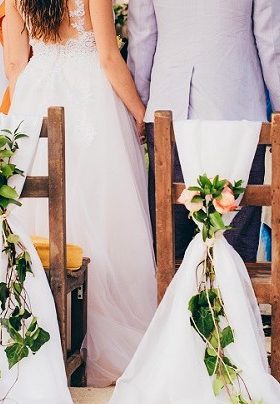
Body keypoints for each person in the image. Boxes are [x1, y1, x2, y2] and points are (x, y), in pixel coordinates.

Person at [4, 0, 156, 388]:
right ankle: (97, 335)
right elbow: (107, 56)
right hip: (91, 100)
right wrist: (140, 113)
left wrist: (20, 118)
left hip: (37, 93)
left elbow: (15, 64)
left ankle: (45, 335)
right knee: (105, 215)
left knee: (39, 218)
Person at [128, 0, 280, 262]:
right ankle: (232, 300)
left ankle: (172, 300)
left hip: (169, 108)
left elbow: (142, 38)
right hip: (237, 108)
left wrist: (139, 109)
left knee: (171, 240)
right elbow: (271, 42)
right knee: (236, 233)